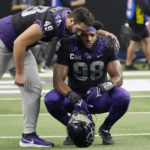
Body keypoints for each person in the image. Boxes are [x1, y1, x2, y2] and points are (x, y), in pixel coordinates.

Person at [0, 6, 95, 147]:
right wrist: (20, 73)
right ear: (71, 20)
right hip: (4, 40)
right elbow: (19, 42)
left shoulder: (69, 16)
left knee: (33, 88)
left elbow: (21, 42)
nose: (80, 34)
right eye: (79, 30)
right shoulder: (52, 23)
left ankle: (28, 136)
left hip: (19, 45)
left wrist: (104, 33)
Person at [44, 26, 130, 146]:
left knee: (123, 96)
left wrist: (101, 88)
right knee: (51, 99)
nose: (89, 39)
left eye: (92, 35)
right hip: (75, 95)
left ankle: (105, 129)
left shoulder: (107, 45)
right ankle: (73, 129)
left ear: (97, 35)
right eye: (85, 35)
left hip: (98, 97)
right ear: (78, 34)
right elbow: (58, 82)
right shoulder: (68, 45)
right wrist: (74, 97)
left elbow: (118, 78)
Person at [125, 0, 150, 70]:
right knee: (134, 42)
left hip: (140, 22)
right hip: (137, 22)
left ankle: (149, 62)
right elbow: (145, 8)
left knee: (146, 41)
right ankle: (128, 64)